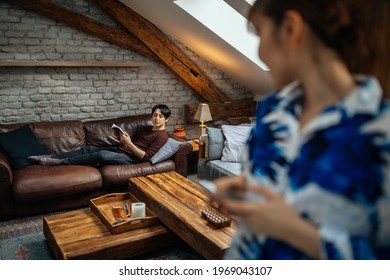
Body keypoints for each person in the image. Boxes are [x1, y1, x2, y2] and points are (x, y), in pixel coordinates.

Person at [211, 0, 390, 259]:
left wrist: (296, 232)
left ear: (290, 28)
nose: (259, 52)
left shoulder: (379, 130)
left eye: (260, 33)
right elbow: (275, 182)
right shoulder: (272, 110)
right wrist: (245, 188)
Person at [28, 104, 171, 166]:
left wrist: (129, 144)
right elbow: (132, 144)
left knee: (101, 155)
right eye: (155, 115)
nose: (156, 118)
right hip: (124, 151)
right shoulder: (146, 128)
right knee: (88, 149)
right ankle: (49, 157)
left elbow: (146, 157)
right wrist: (123, 140)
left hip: (134, 159)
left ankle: (59, 162)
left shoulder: (162, 136)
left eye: (160, 116)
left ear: (166, 119)